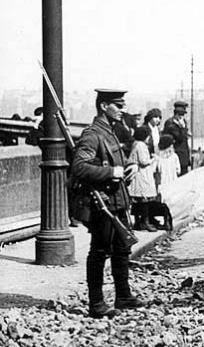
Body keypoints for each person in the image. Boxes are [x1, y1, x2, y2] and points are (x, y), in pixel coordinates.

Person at [71, 89, 145, 319]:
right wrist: (112, 172)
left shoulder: (111, 132)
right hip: (102, 203)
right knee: (100, 251)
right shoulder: (93, 134)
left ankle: (123, 295)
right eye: (118, 106)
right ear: (104, 106)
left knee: (122, 249)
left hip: (118, 200)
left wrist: (125, 173)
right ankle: (96, 303)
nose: (123, 110)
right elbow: (79, 167)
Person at [128, 125, 158, 232]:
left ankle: (137, 222)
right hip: (142, 174)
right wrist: (153, 159)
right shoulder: (141, 146)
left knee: (138, 199)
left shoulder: (135, 144)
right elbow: (143, 161)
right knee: (144, 198)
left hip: (139, 174)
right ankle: (145, 222)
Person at [163, 100, 191, 175]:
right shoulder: (170, 123)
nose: (182, 117)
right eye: (180, 114)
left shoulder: (183, 122)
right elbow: (179, 138)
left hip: (184, 155)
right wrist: (182, 128)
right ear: (176, 114)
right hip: (175, 154)